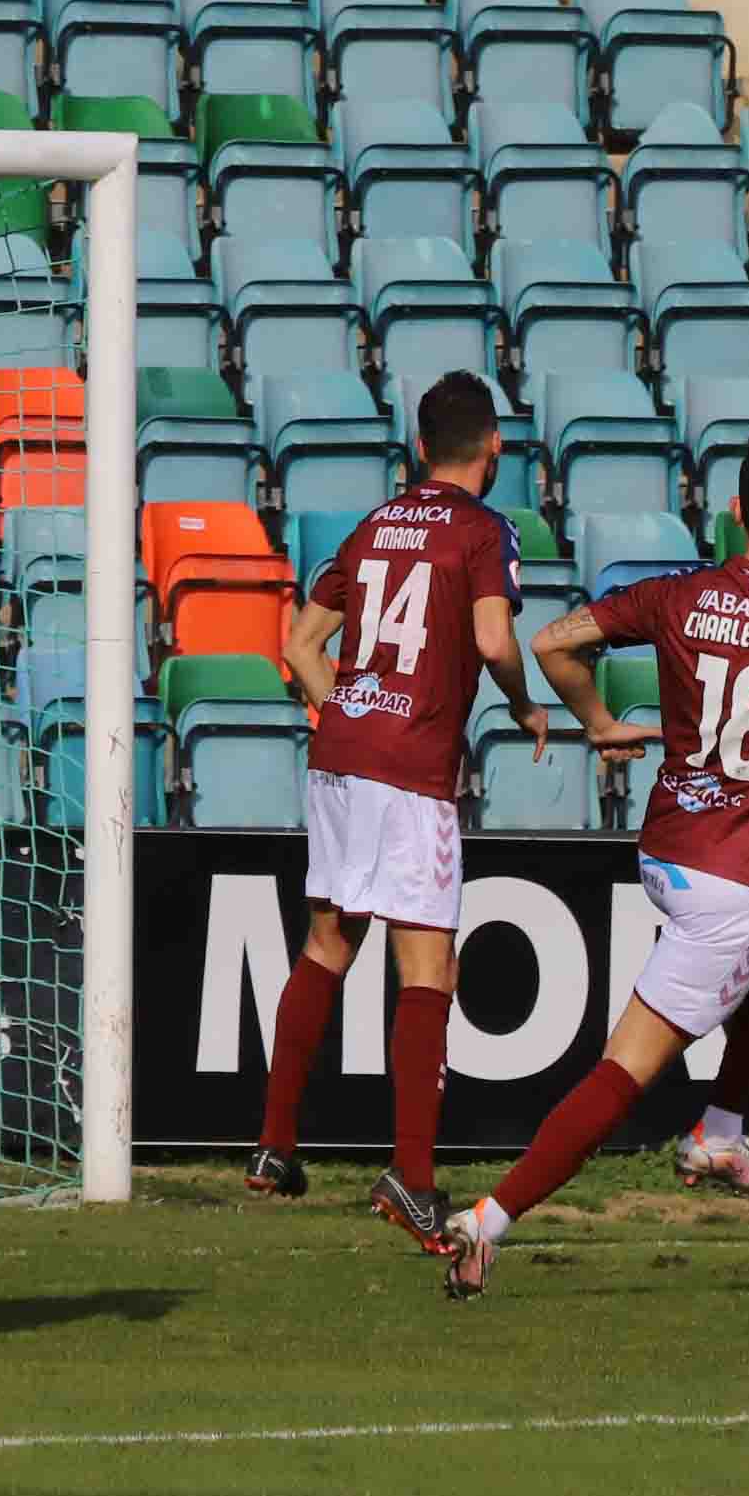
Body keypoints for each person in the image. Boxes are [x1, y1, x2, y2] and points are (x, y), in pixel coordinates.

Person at [439, 430, 749, 1297]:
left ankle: (721, 1129)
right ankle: (489, 1220)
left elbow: (551, 643)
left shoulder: (679, 593)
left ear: (735, 511)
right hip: (734, 882)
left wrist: (597, 721)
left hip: (669, 849)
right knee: (624, 1072)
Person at [248, 369, 540, 1243]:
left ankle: (273, 1147)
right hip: (411, 768)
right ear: (495, 446)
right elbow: (493, 638)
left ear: (419, 447)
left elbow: (300, 643)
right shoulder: (483, 529)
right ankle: (413, 1181)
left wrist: (345, 708)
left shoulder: (373, 526)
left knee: (327, 944)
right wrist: (525, 704)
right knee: (428, 969)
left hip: (342, 753)